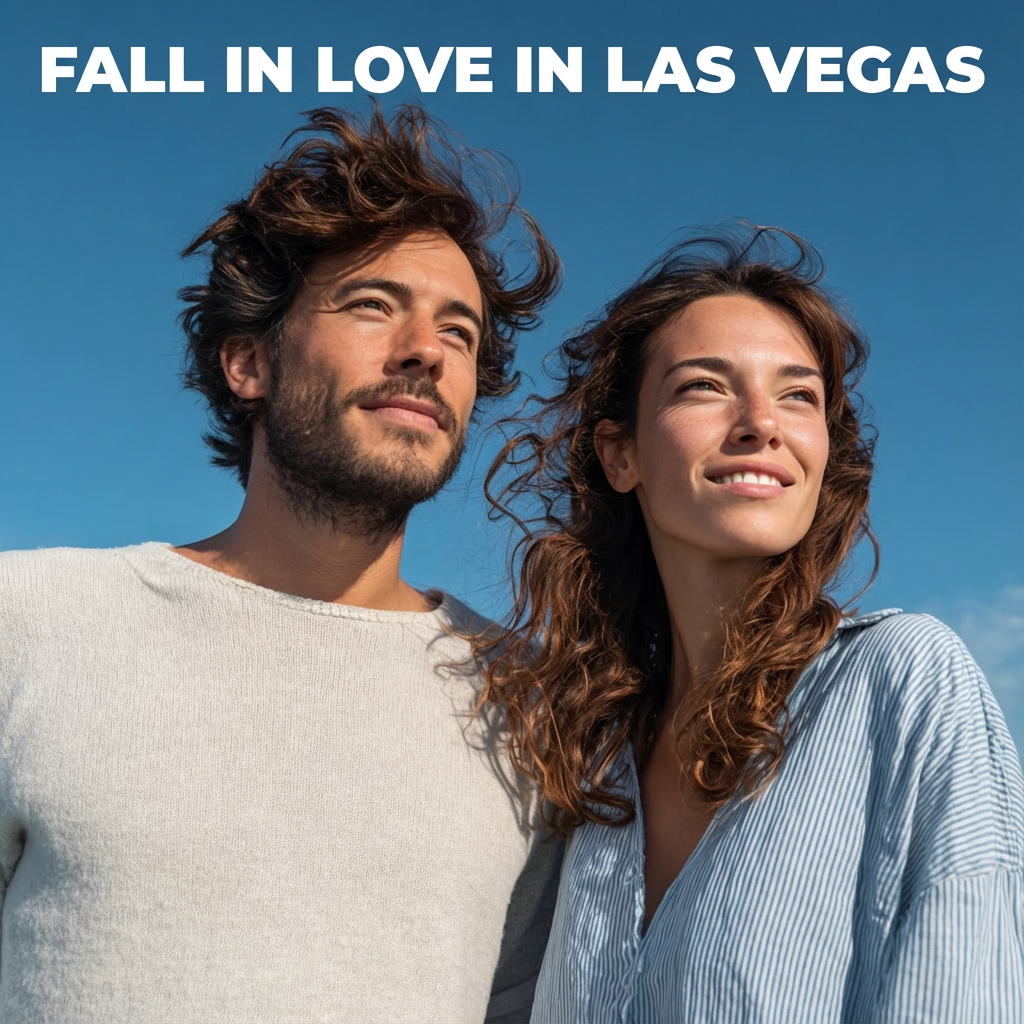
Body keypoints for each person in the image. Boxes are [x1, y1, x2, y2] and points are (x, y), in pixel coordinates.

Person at [0, 106, 563, 1023]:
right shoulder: (28, 616)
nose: (425, 350)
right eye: (374, 305)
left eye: (459, 333)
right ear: (249, 361)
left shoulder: (528, 700)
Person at [474, 229, 1024, 1023]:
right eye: (705, 386)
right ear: (619, 454)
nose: (761, 423)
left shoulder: (904, 679)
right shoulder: (592, 762)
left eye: (798, 395)